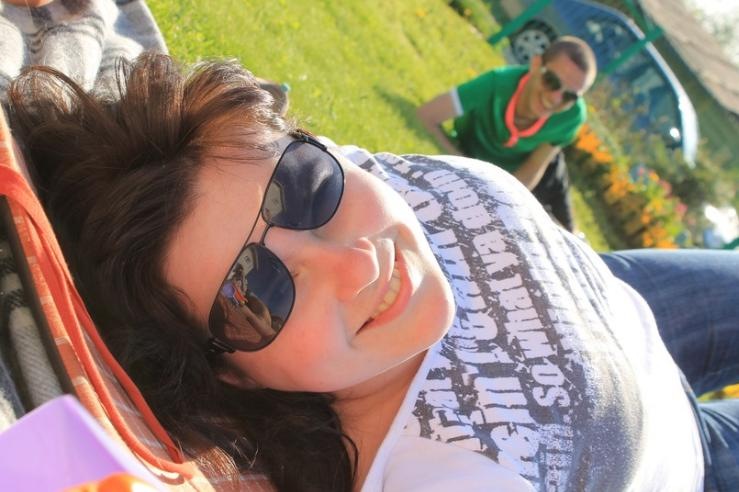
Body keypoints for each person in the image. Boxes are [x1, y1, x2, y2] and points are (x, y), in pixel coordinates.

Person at [6, 53, 738, 492]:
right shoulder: (451, 471)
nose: (357, 262)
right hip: (694, 456)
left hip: (620, 290)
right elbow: (38, 466)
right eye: (258, 292)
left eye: (305, 186)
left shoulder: (246, 172)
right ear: (231, 374)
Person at [416, 36, 597, 232]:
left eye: (570, 96)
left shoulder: (573, 116)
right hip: (480, 155)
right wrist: (465, 170)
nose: (556, 98)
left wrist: (498, 197)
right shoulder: (495, 83)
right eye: (551, 81)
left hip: (533, 170)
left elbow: (534, 167)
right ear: (536, 64)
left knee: (564, 232)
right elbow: (426, 115)